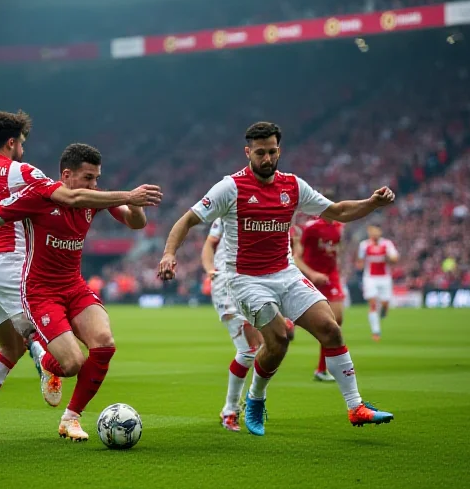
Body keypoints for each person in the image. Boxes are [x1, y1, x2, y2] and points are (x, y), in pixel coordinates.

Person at [0, 112, 161, 443]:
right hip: (36, 287)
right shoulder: (36, 190)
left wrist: (134, 204)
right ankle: (45, 361)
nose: (95, 185)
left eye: (97, 179)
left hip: (71, 285)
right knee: (71, 361)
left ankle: (69, 418)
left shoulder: (94, 197)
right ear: (66, 175)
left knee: (103, 343)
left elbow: (136, 223)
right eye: (89, 178)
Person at [158, 121, 395, 436]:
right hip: (244, 279)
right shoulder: (230, 187)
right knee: (279, 340)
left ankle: (355, 407)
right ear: (248, 152)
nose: (267, 159)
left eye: (272, 152)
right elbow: (187, 220)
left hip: (285, 273)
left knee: (330, 329)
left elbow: (336, 211)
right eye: (260, 153)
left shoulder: (293, 186)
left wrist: (372, 203)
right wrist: (169, 253)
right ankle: (255, 398)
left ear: (279, 150)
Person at [201, 218, 263, 432]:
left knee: (265, 348)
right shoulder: (227, 213)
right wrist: (210, 269)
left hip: (252, 283)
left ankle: (244, 404)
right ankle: (231, 411)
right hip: (227, 284)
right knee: (249, 350)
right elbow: (209, 244)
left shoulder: (266, 211)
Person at [292, 215, 345, 381]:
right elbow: (296, 257)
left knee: (336, 321)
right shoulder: (312, 228)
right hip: (311, 277)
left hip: (331, 277)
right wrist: (312, 274)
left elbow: (335, 252)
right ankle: (288, 322)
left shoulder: (338, 227)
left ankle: (322, 369)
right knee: (321, 321)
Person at [357, 225, 399, 341]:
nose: (374, 233)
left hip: (384, 278)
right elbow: (360, 262)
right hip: (370, 278)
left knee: (385, 303)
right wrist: (359, 265)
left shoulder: (387, 244)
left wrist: (388, 257)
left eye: (376, 230)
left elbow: (395, 259)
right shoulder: (364, 245)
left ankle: (384, 310)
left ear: (380, 232)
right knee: (373, 304)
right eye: (371, 231)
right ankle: (376, 331)